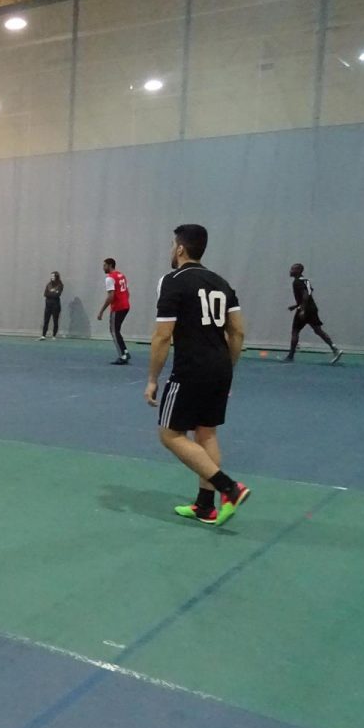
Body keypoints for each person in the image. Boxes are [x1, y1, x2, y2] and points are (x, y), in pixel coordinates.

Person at [145, 224, 251, 526]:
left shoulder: (173, 281)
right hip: (220, 367)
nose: (171, 250)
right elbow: (238, 331)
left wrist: (152, 379)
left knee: (169, 435)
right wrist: (228, 368)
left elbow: (162, 335)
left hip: (191, 368)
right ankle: (205, 506)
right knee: (206, 432)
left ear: (180, 248)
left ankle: (229, 488)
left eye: (172, 245)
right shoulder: (221, 282)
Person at [283, 263, 342, 364]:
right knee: (318, 330)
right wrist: (295, 306)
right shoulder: (306, 281)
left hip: (305, 309)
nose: (290, 271)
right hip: (312, 309)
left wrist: (302, 310)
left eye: (293, 269)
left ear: (299, 270)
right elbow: (308, 295)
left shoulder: (297, 282)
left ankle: (290, 356)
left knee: (295, 332)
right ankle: (335, 349)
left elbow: (306, 295)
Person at [97, 258, 131, 364]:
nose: (103, 268)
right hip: (125, 306)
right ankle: (125, 351)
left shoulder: (110, 278)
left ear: (110, 265)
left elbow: (111, 296)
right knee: (116, 330)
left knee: (114, 331)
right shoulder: (121, 275)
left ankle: (123, 355)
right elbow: (127, 291)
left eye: (105, 265)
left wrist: (101, 311)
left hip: (118, 307)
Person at [40, 272, 63, 339]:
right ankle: (43, 335)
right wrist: (53, 292)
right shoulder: (48, 284)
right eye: (51, 276)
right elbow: (45, 294)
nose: (52, 277)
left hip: (56, 306)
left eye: (53, 276)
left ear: (56, 277)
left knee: (55, 321)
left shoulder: (60, 285)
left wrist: (51, 293)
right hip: (48, 305)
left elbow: (57, 295)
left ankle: (54, 335)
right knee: (46, 320)